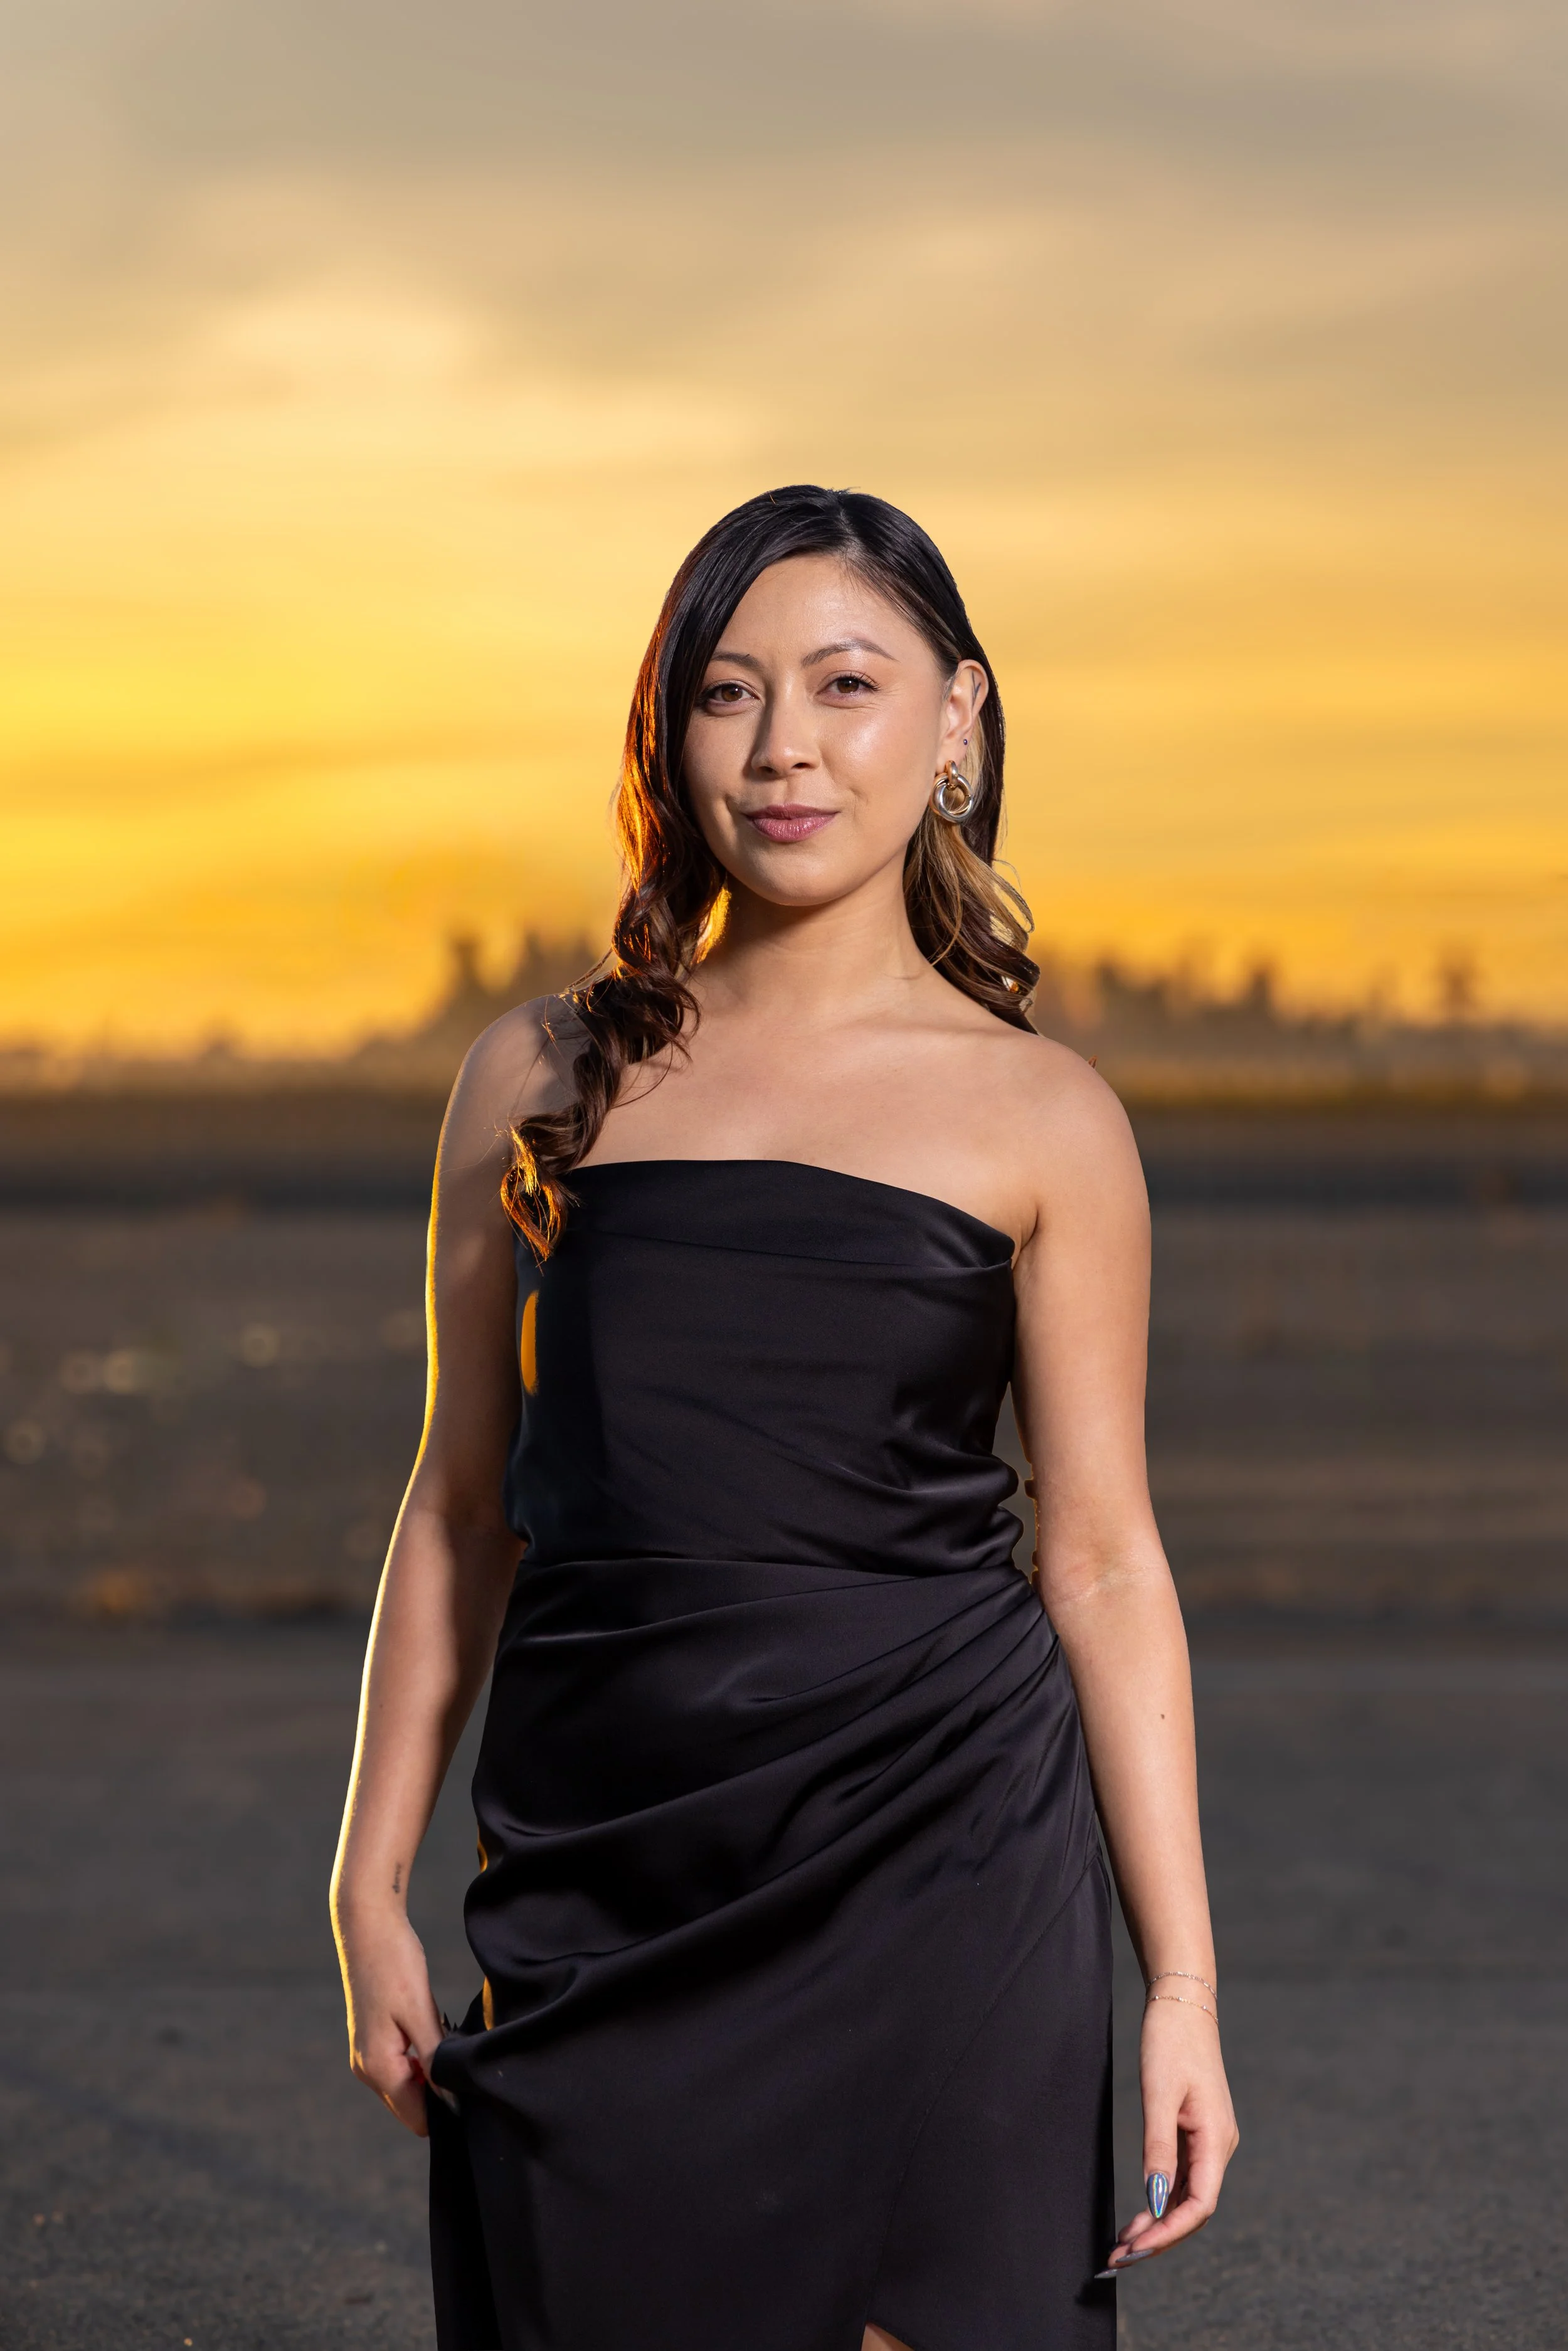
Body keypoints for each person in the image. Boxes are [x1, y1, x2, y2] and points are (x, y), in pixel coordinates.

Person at [331, 484, 1238, 2351]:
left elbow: (1101, 1555)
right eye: (728, 692)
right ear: (668, 733)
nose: (787, 747)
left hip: (945, 1863)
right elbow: (456, 1509)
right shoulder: (540, 1075)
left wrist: (1183, 1989)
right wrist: (364, 1872)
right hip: (608, 1874)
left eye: (845, 683)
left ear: (957, 718)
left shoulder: (1043, 1118)